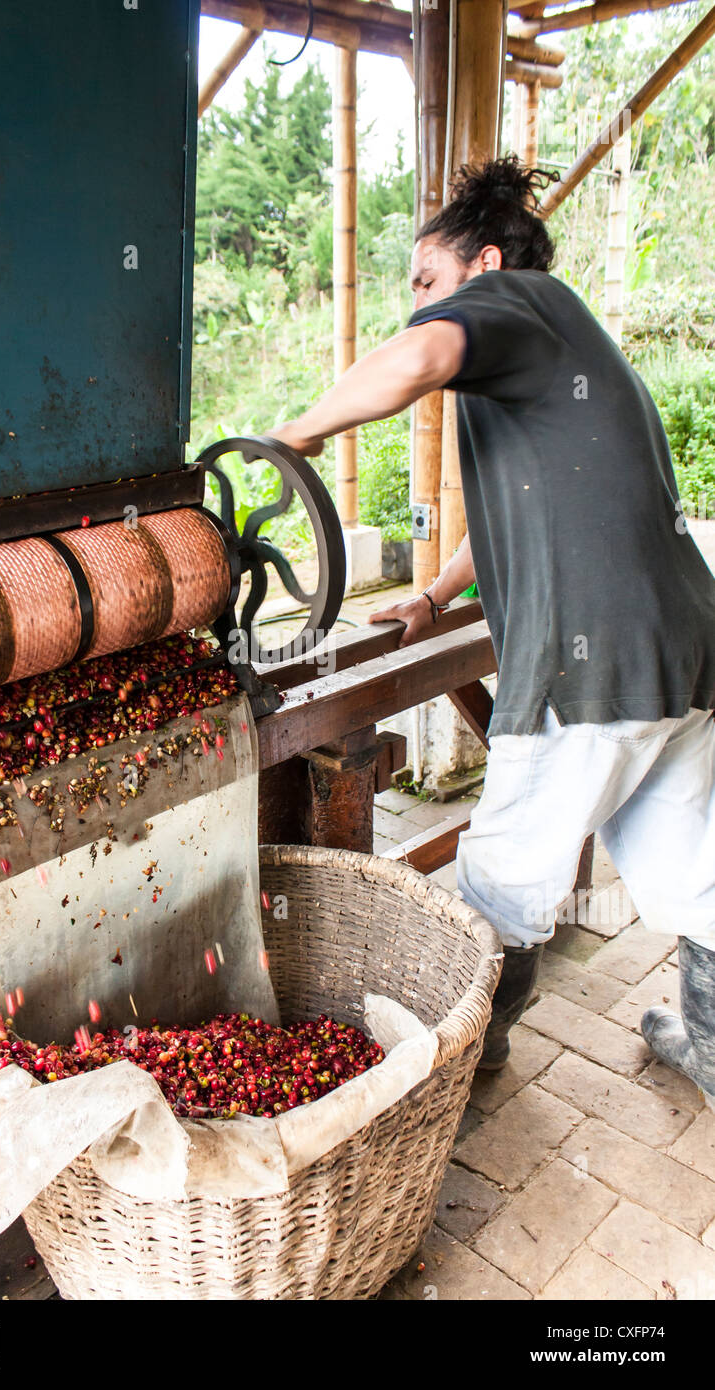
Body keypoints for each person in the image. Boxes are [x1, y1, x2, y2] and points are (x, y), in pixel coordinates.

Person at [271, 155, 715, 1097]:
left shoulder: (516, 299)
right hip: (684, 653)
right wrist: (433, 594)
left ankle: (470, 1072)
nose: (418, 309)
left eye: (427, 284)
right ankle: (710, 1049)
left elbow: (418, 357)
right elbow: (515, 507)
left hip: (594, 665)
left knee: (500, 884)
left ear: (483, 263)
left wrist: (294, 436)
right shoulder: (560, 346)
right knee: (694, 874)